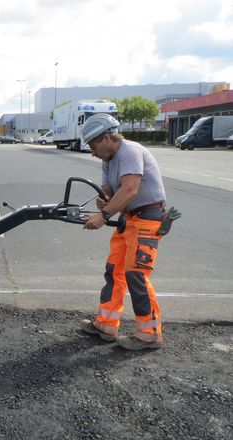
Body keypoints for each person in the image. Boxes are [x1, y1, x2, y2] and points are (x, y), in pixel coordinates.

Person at [79, 113, 170, 350]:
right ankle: (106, 324)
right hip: (129, 220)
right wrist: (105, 198)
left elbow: (130, 189)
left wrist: (104, 215)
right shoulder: (108, 160)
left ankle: (150, 333)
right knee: (114, 271)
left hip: (148, 219)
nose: (92, 151)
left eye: (93, 145)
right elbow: (111, 188)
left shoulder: (130, 152)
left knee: (136, 275)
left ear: (107, 138)